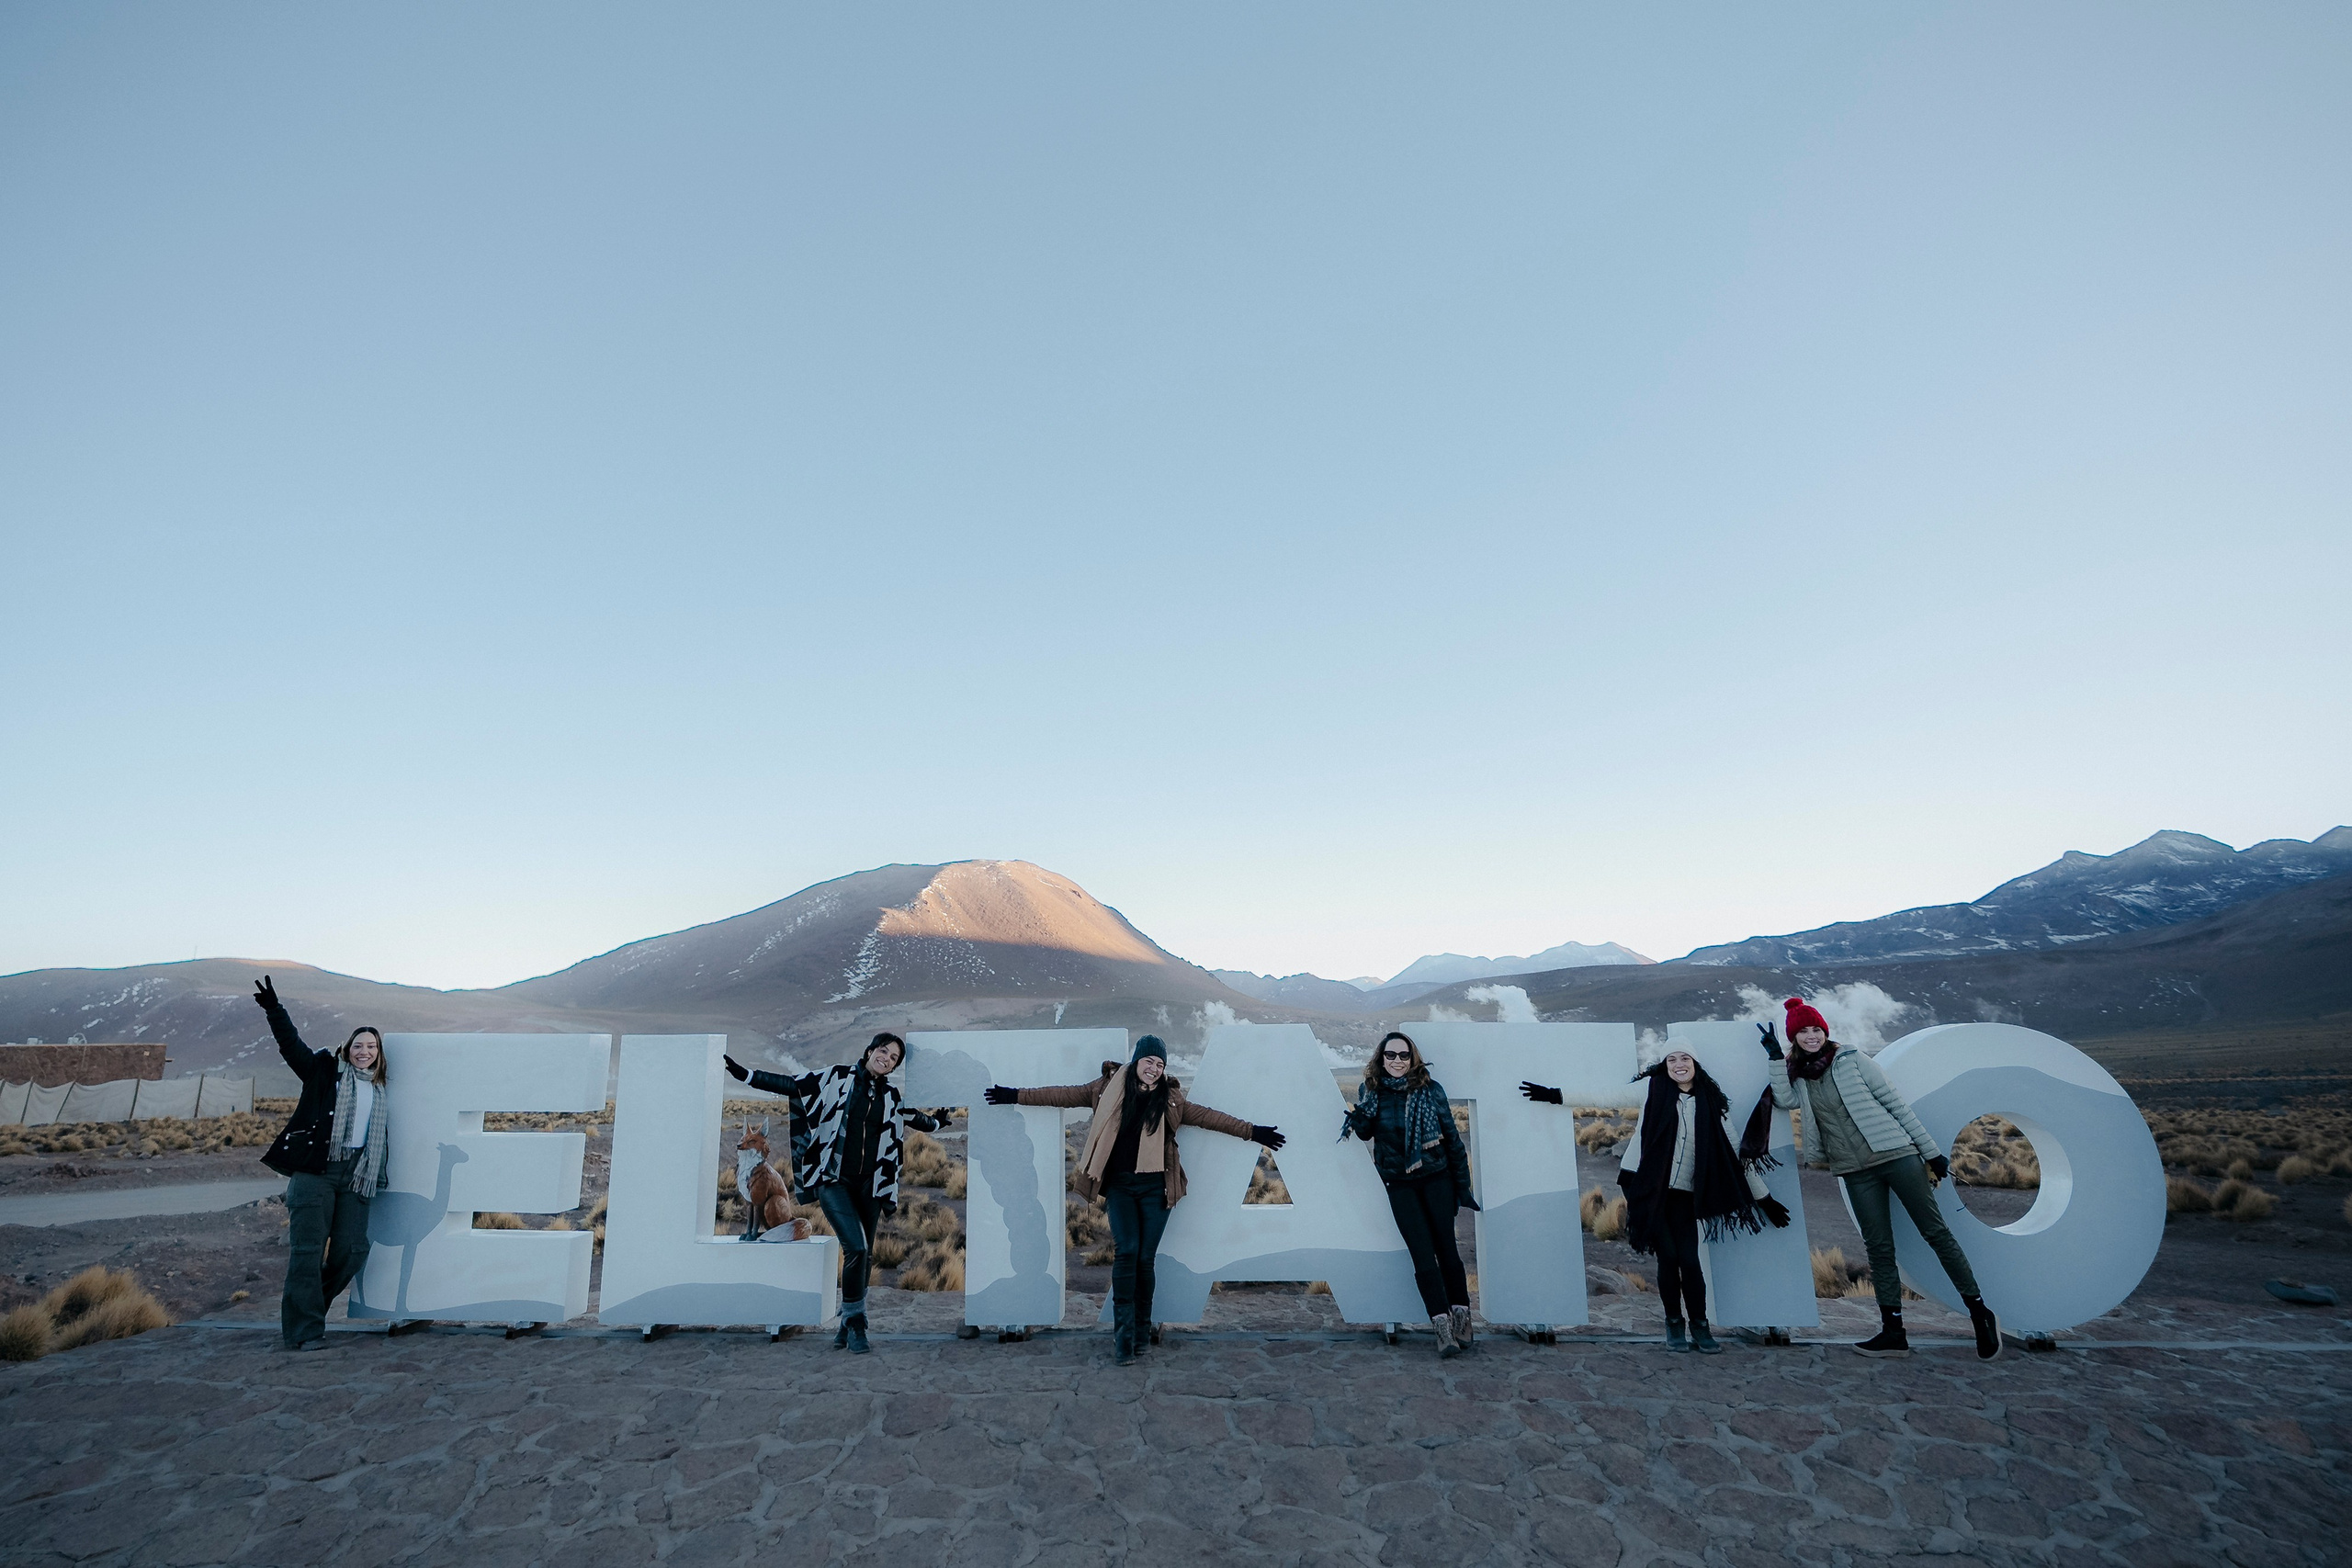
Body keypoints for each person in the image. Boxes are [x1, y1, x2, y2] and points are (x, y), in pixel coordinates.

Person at [983, 1035, 1284, 1366]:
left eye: (1160, 1065)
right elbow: (1061, 1094)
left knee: (1145, 1259)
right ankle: (1123, 1337)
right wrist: (1014, 1095)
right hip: (1121, 1188)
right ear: (1136, 1061)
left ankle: (1142, 1332)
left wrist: (1253, 1132)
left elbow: (1210, 1117)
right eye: (1149, 1062)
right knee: (1127, 1252)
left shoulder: (1171, 1101)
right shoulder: (1104, 1088)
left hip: (1156, 1189)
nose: (1154, 1070)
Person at [1762, 997, 2001, 1359]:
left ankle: (1980, 1313)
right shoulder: (1800, 1075)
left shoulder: (1853, 1059)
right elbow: (1784, 1100)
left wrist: (1930, 1151)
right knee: (1879, 1247)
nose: (1811, 1037)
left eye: (1816, 1030)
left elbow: (1895, 1104)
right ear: (1793, 1038)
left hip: (1897, 1156)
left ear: (1825, 1031)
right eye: (1802, 1032)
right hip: (1854, 1170)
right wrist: (1775, 1059)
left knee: (1935, 1233)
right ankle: (1893, 1332)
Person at [724, 1032, 952, 1354]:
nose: (886, 1059)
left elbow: (916, 1119)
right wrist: (747, 1076)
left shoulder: (891, 1096)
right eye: (883, 1051)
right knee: (856, 1246)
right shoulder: (837, 1079)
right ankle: (857, 1323)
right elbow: (793, 1085)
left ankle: (847, 1321)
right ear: (870, 1050)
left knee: (865, 1254)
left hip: (872, 1186)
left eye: (893, 1058)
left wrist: (938, 1124)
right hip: (834, 1181)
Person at [1608, 1043, 1791, 1353]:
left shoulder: (1713, 1102)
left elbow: (1736, 1155)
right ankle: (1673, 1324)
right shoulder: (1652, 1091)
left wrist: (1764, 1198)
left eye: (1685, 1058)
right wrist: (1557, 1095)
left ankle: (1700, 1327)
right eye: (1672, 1059)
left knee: (1689, 1261)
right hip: (1648, 1189)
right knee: (1669, 1258)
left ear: (1695, 1063)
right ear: (1665, 1064)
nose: (1679, 1064)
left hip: (1684, 1195)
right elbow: (1606, 1096)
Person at [253, 976, 389, 1352]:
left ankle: (307, 1308)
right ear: (347, 1047)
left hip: (356, 1175)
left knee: (352, 1251)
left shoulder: (378, 1087)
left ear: (378, 1052)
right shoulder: (322, 1071)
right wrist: (275, 1011)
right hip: (316, 1172)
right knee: (307, 1253)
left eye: (371, 1046)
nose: (364, 1051)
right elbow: (291, 1047)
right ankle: (305, 1331)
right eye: (358, 1045)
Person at [1341, 1032, 1481, 1357]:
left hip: (1437, 1179)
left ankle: (1463, 1318)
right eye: (1391, 1055)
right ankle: (1442, 1327)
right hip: (1399, 1184)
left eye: (1403, 1055)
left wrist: (1462, 1186)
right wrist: (1360, 1115)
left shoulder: (1430, 1090)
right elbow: (1364, 1133)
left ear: (1412, 1058)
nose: (1397, 1062)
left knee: (1447, 1250)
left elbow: (1453, 1140)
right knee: (1421, 1255)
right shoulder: (1371, 1092)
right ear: (1381, 1058)